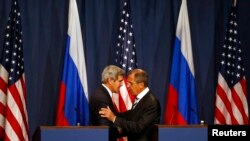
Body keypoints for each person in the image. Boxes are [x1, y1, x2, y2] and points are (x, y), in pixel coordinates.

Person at [99, 69, 161, 141]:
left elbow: (138, 127)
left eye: (131, 83)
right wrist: (113, 115)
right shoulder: (141, 98)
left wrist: (114, 118)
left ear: (141, 85)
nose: (127, 86)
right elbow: (130, 115)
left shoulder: (151, 103)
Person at [89, 65, 125, 141]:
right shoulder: (101, 97)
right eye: (120, 81)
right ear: (110, 81)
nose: (122, 84)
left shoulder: (102, 93)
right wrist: (127, 130)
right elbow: (106, 129)